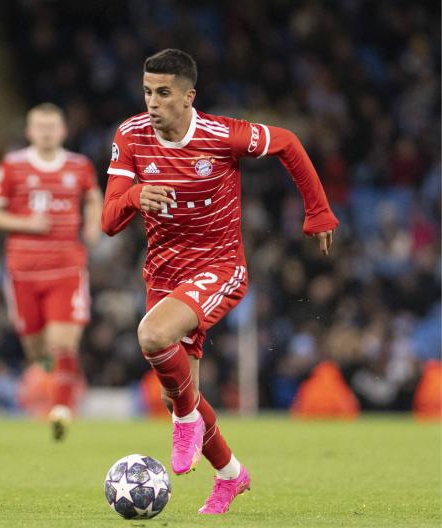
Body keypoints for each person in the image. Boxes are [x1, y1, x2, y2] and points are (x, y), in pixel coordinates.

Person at [101, 49, 338, 515]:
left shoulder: (221, 135)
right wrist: (133, 195)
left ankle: (187, 420)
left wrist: (318, 211)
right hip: (163, 275)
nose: (152, 102)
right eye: (148, 91)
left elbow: (288, 142)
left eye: (164, 93)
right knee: (177, 393)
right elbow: (109, 220)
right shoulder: (130, 136)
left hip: (220, 266)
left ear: (189, 96)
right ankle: (231, 475)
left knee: (152, 337)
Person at [0, 103, 102, 440]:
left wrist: (93, 225)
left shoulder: (80, 167)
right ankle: (52, 383)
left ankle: (61, 409)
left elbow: (93, 198)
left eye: (53, 126)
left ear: (63, 131)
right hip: (22, 273)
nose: (47, 132)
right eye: (40, 127)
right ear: (30, 132)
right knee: (36, 351)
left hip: (66, 268)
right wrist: (27, 223)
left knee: (62, 344)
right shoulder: (11, 167)